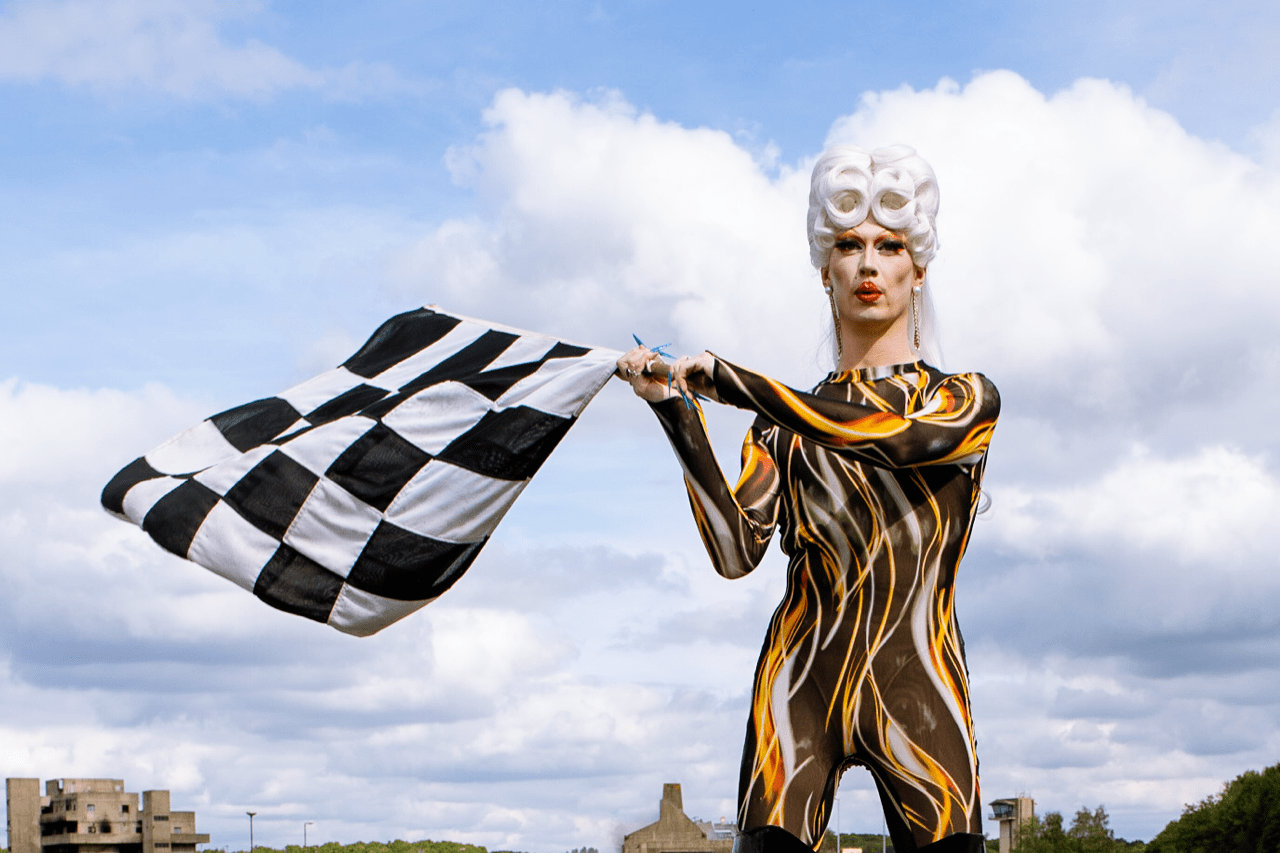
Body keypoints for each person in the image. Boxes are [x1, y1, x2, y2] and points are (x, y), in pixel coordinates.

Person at [616, 145, 1000, 853]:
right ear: (825, 268)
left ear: (919, 269)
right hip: (799, 680)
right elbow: (735, 552)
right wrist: (678, 413)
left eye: (890, 246)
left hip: (922, 681)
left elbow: (897, 439)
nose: (869, 264)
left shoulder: (962, 399)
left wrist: (741, 383)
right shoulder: (779, 429)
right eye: (849, 246)